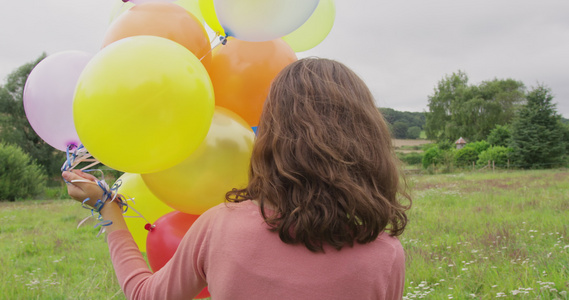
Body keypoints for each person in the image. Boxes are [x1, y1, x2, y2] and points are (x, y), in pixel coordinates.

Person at [63, 57, 411, 300]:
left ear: (272, 135)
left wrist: (108, 210)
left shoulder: (219, 227)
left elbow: (145, 294)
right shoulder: (386, 257)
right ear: (368, 142)